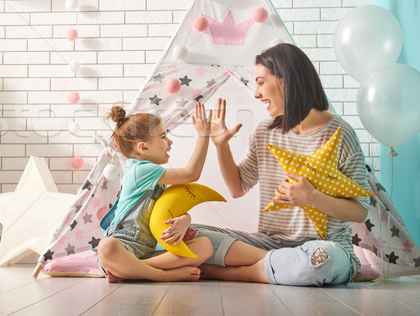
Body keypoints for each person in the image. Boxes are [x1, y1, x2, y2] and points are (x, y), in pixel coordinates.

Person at [193, 43, 370, 286]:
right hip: (268, 242)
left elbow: (360, 210)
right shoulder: (265, 131)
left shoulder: (340, 133)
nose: (256, 93)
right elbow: (237, 188)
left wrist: (313, 197)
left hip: (324, 247)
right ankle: (278, 263)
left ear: (286, 80)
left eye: (261, 82)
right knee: (186, 234)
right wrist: (221, 146)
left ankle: (234, 272)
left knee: (321, 262)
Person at [96, 102, 215, 282]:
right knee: (107, 247)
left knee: (205, 246)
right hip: (123, 248)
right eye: (163, 137)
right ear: (143, 148)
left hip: (146, 254)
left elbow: (169, 212)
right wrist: (204, 135)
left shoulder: (157, 179)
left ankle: (132, 270)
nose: (170, 142)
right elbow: (192, 174)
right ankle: (161, 275)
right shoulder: (140, 171)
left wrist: (185, 219)